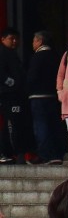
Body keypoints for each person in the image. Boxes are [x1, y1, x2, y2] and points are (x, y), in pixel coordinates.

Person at [26, 32, 62, 164]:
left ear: (40, 41)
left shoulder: (37, 57)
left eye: (34, 41)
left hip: (38, 96)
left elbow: (32, 77)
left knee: (41, 126)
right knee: (54, 125)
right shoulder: (55, 56)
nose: (32, 44)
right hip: (53, 96)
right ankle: (57, 154)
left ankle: (44, 155)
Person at [0, 27, 26, 163]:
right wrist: (13, 83)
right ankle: (13, 152)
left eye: (16, 39)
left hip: (13, 95)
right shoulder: (3, 53)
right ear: (3, 39)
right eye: (11, 38)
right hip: (7, 95)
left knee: (9, 124)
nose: (14, 41)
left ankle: (7, 152)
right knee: (12, 124)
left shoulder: (12, 53)